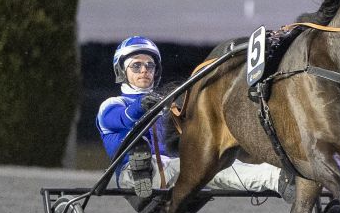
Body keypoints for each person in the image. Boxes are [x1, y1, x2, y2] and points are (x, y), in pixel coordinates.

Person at [96, 36, 284, 198]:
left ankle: (278, 176)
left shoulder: (166, 104)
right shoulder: (113, 104)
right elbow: (122, 119)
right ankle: (141, 169)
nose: (144, 70)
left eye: (149, 65)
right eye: (136, 66)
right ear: (122, 71)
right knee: (189, 164)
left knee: (213, 160)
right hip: (131, 175)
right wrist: (141, 106)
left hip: (172, 169)